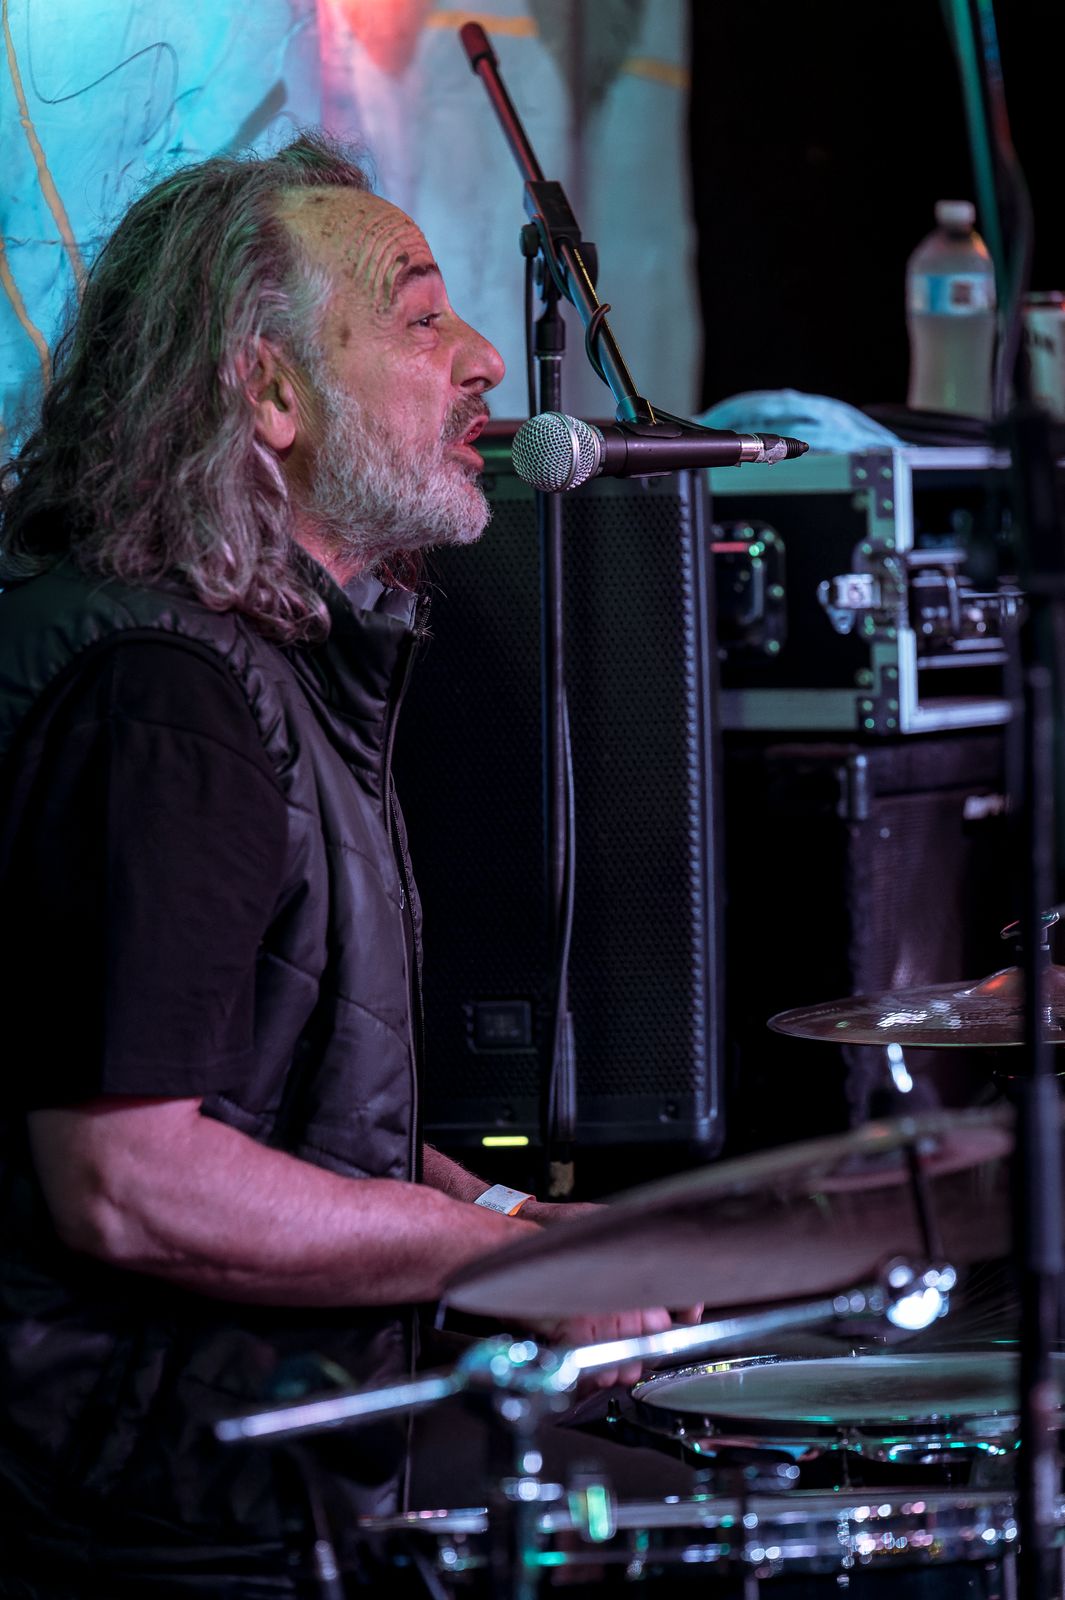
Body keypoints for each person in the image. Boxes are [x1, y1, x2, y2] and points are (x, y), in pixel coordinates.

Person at [0, 134, 691, 1598]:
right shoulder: (161, 696)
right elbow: (131, 1178)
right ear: (269, 394)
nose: (486, 361)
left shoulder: (259, 664)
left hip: (229, 1475)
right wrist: (491, 1267)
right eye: (422, 317)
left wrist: (504, 1220)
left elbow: (272, 1106)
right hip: (144, 1523)